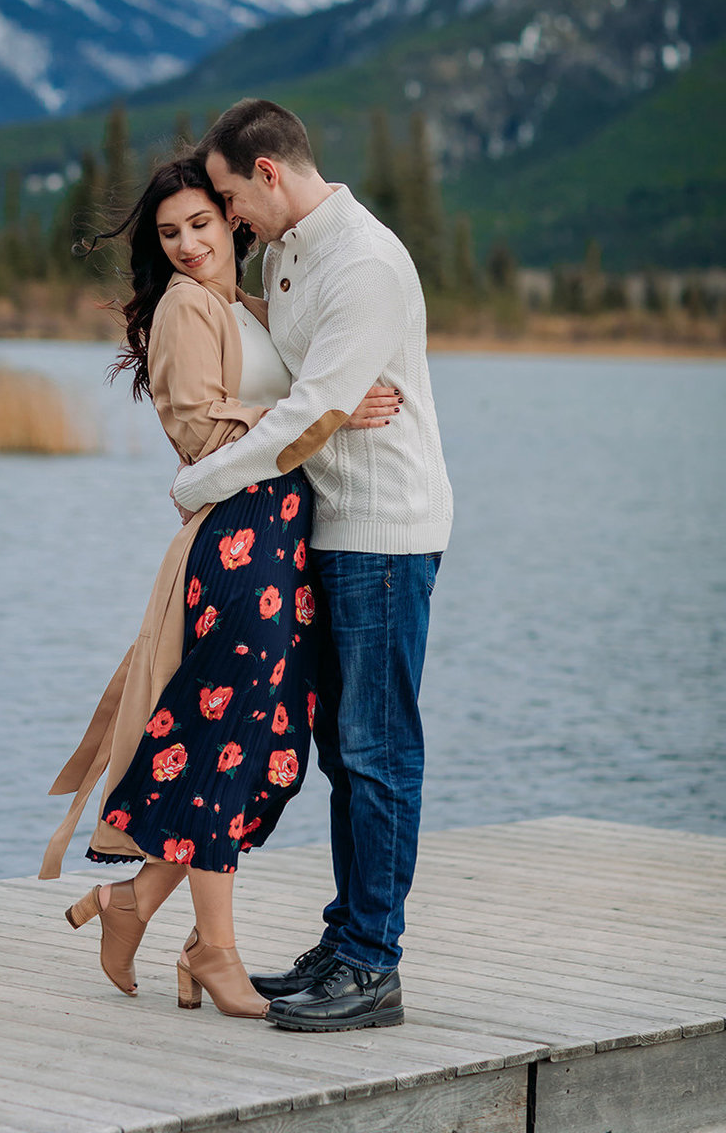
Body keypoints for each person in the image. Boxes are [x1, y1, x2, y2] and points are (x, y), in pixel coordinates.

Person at [40, 156, 397, 1019]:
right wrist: (328, 410)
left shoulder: (243, 305)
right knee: (226, 739)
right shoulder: (183, 307)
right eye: (170, 234)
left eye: (201, 223)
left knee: (272, 749)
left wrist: (327, 395)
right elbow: (199, 434)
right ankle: (214, 950)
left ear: (233, 221)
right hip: (238, 541)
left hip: (285, 539)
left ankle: (129, 904)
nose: (189, 244)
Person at [169, 99, 453, 1034]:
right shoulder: (286, 249)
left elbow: (308, 414)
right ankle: (347, 941)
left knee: (377, 751)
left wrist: (200, 480)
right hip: (331, 531)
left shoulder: (365, 262)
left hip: (383, 531)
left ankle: (374, 965)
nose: (226, 218)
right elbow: (305, 383)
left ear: (269, 174)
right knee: (343, 750)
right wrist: (318, 395)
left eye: (226, 199)